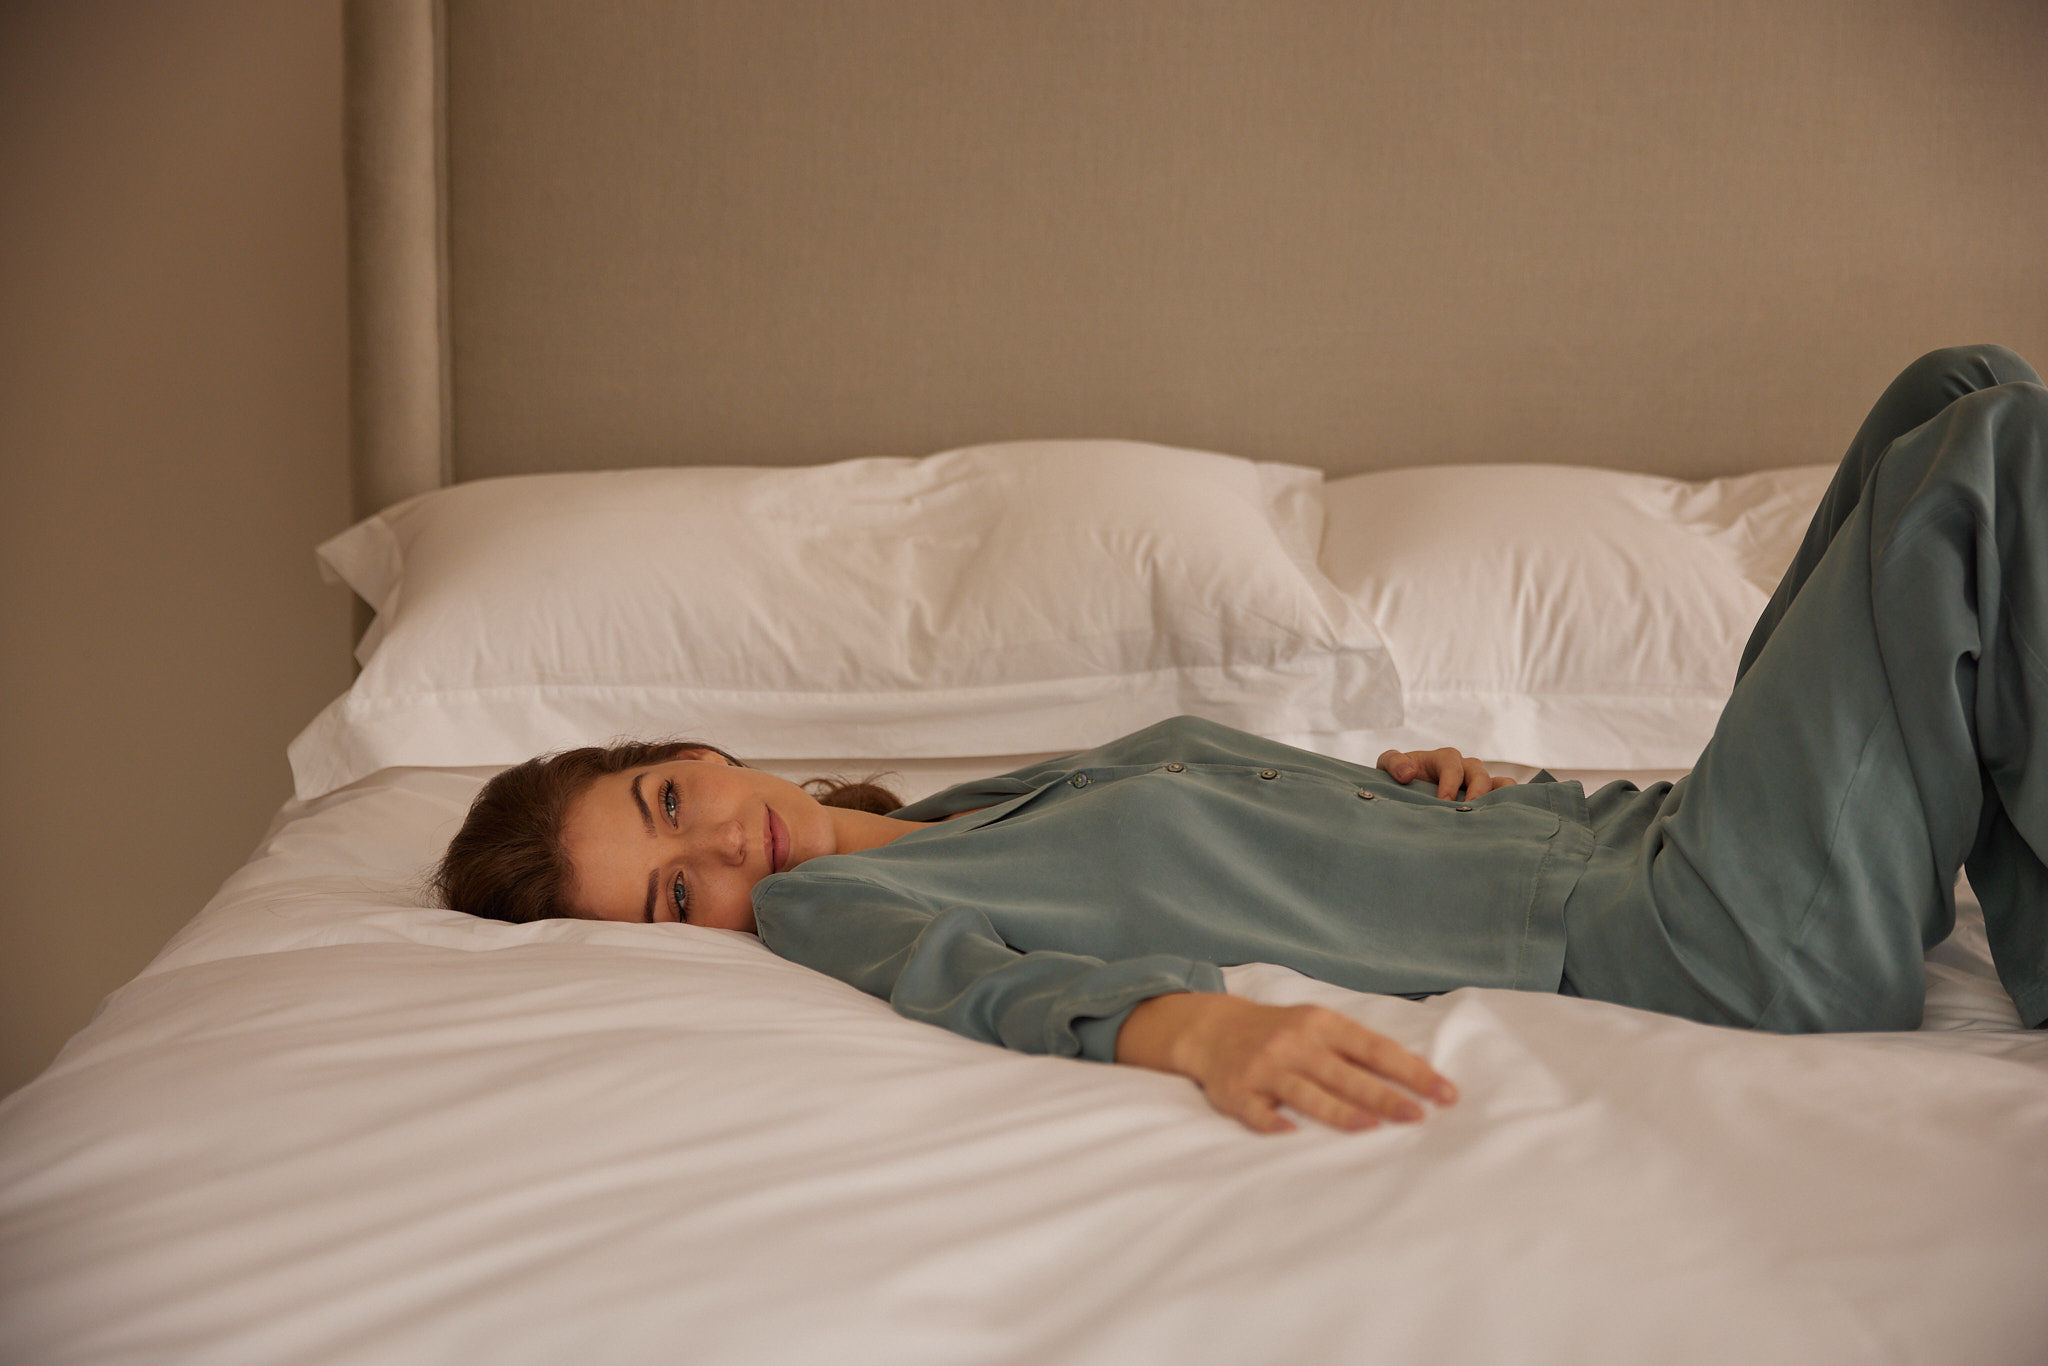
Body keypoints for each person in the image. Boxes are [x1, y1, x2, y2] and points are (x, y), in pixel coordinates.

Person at [434, 344, 2048, 1137]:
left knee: (1956, 386)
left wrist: (1470, 797)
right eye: (665, 896)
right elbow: (995, 988)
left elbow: (1284, 849)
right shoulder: (832, 907)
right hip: (1707, 950)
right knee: (1991, 451)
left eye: (665, 801)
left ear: (700, 750)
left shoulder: (984, 810)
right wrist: (1193, 1037)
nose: (713, 848)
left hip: (1649, 842)